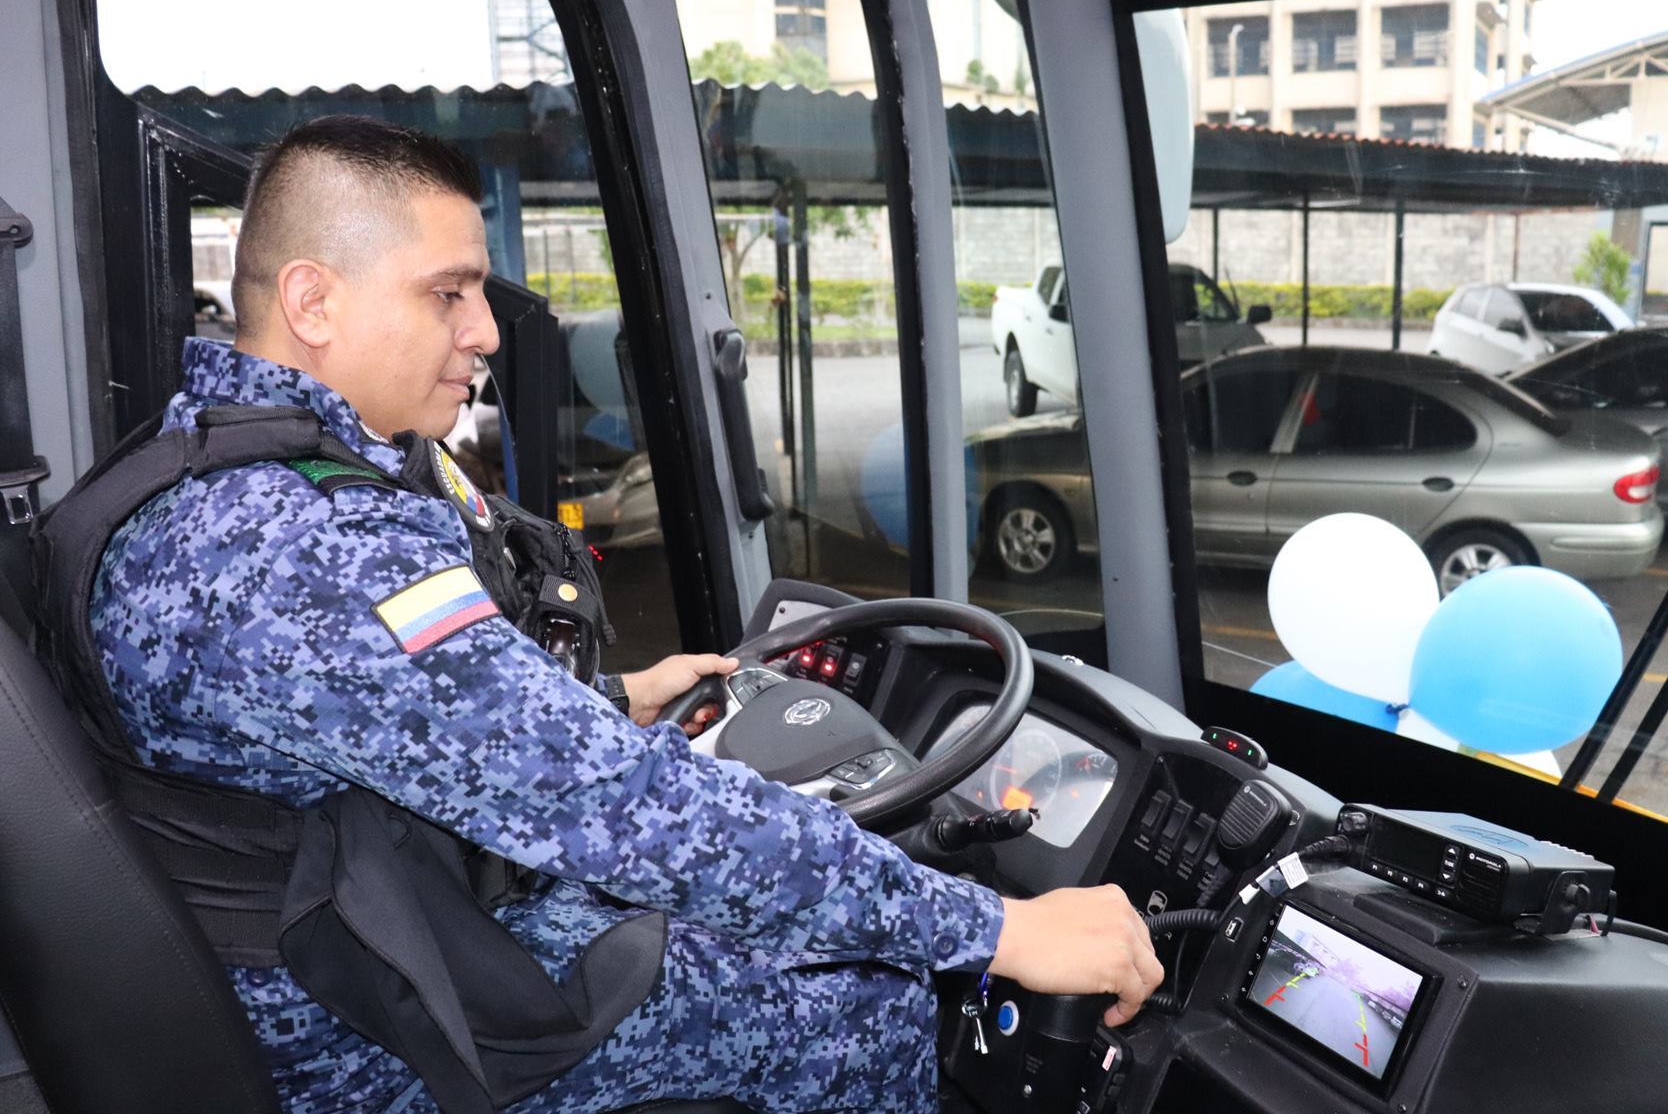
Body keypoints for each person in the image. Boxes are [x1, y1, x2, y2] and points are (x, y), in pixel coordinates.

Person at [82, 115, 1160, 1112]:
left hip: (353, 940)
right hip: (361, 1037)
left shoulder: (207, 468)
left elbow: (380, 723)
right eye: (447, 293)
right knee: (874, 995)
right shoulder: (301, 550)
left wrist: (613, 699)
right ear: (314, 303)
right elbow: (623, 805)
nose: (488, 331)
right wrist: (1001, 928)